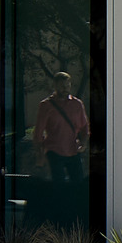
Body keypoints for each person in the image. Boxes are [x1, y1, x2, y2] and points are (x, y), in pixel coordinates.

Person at [31, 70, 94, 228]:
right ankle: (59, 218)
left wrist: (83, 143)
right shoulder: (46, 105)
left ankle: (77, 217)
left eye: (68, 85)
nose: (66, 88)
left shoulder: (76, 104)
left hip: (73, 150)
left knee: (78, 185)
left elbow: (84, 128)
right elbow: (38, 133)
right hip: (54, 150)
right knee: (58, 186)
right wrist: (39, 154)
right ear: (56, 86)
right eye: (62, 85)